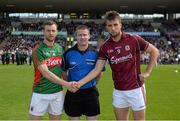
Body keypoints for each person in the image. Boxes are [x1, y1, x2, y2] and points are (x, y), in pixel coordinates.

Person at [75, 11, 159, 120]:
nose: (113, 28)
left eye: (115, 25)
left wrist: (147, 72)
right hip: (118, 91)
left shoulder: (133, 39)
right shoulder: (105, 47)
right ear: (106, 27)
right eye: (110, 25)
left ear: (120, 25)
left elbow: (154, 51)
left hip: (136, 89)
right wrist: (79, 83)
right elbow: (96, 70)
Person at [29, 21, 77, 120]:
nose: (51, 33)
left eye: (53, 30)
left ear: (56, 32)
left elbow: (63, 69)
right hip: (40, 92)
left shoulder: (59, 49)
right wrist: (66, 84)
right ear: (43, 32)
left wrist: (70, 84)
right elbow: (46, 73)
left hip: (57, 93)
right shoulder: (37, 50)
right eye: (48, 31)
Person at [62, 25, 104, 121]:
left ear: (89, 36)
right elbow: (63, 71)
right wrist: (69, 84)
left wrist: (94, 83)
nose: (82, 37)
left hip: (90, 92)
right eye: (80, 35)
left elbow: (100, 72)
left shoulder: (96, 53)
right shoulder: (68, 53)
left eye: (85, 35)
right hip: (73, 92)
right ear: (76, 36)